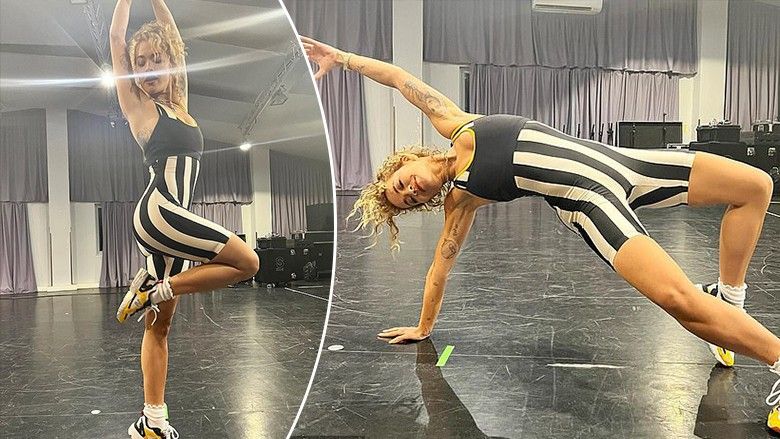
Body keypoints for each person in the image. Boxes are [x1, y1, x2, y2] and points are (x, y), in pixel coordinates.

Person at [302, 35, 780, 432]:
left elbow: (398, 78)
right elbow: (440, 267)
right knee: (677, 298)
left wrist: (341, 58)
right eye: (407, 200)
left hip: (621, 163)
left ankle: (728, 299)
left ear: (405, 161)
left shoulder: (457, 124)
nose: (409, 190)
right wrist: (424, 327)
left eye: (400, 183)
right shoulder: (461, 198)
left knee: (755, 186)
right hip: (589, 202)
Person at [109, 1, 259, 437]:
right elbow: (116, 40)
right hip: (160, 212)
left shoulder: (180, 103)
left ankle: (152, 422)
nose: (148, 68)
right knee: (248, 262)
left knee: (160, 326)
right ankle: (154, 290)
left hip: (170, 221)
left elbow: (172, 34)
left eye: (156, 59)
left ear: (171, 62)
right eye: (140, 63)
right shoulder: (140, 109)